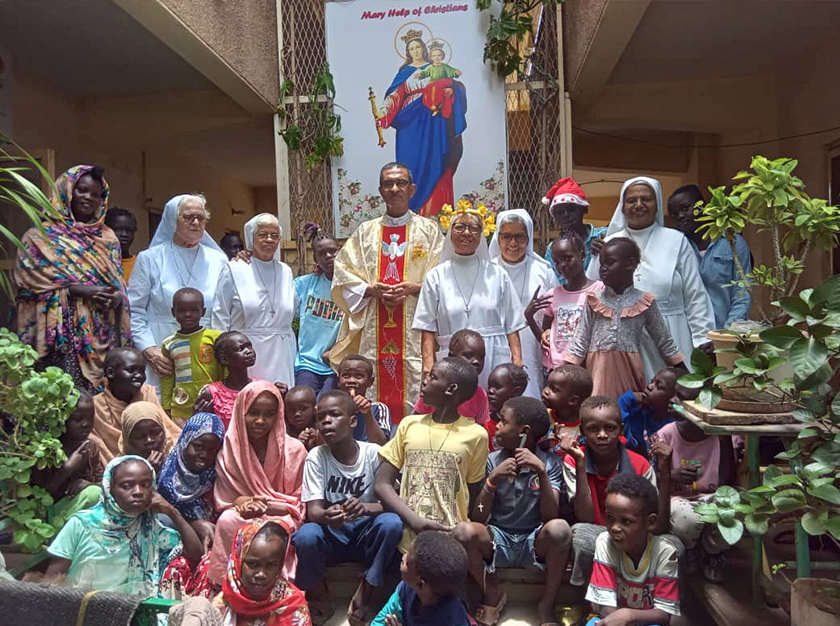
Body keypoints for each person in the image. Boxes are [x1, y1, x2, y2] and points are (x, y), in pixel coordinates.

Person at [331, 163, 444, 422]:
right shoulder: (365, 232)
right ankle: (373, 434)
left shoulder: (429, 231)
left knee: (415, 377)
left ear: (412, 189)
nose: (395, 189)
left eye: (401, 183)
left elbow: (442, 279)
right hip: (374, 319)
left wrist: (415, 288)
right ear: (380, 190)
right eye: (388, 184)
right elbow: (343, 272)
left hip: (414, 321)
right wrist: (369, 289)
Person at [453, 397, 571, 626]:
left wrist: (542, 473)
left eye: (503, 421)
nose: (496, 426)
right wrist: (492, 481)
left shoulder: (550, 463)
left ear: (523, 432)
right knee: (463, 532)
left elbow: (550, 517)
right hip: (498, 537)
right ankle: (490, 591)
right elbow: (477, 515)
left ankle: (547, 602)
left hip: (533, 540)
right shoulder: (492, 460)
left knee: (560, 529)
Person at [14, 165, 129, 393]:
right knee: (58, 401)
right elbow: (26, 285)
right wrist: (77, 291)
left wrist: (115, 298)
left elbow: (117, 285)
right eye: (82, 190)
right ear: (65, 192)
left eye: (96, 194)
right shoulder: (40, 237)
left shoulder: (108, 238)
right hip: (58, 337)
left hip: (99, 334)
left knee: (96, 403)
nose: (89, 198)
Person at [587, 177, 714, 381]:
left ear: (657, 205)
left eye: (646, 199)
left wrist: (703, 340)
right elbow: (592, 295)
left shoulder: (676, 241)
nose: (639, 205)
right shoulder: (608, 243)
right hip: (624, 338)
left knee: (674, 398)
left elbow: (695, 296)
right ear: (622, 206)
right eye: (631, 200)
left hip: (673, 334)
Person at [293, 390, 403, 625]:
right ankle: (320, 597)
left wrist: (365, 508)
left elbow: (393, 502)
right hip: (333, 533)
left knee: (392, 524)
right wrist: (328, 515)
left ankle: (366, 592)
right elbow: (314, 512)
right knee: (305, 535)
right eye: (321, 417)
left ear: (353, 421)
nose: (326, 422)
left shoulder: (372, 453)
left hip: (365, 533)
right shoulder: (316, 456)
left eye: (334, 415)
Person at [375, 357, 489, 554]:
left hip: (451, 539)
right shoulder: (409, 425)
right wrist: (413, 520)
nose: (425, 380)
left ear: (451, 389)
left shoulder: (476, 435)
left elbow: (472, 491)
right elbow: (382, 484)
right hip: (407, 540)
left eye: (433, 377)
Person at [44, 455, 202, 596]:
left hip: (128, 613)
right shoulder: (81, 524)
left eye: (146, 484)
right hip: (81, 610)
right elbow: (53, 579)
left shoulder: (149, 528)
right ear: (109, 489)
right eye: (127, 486)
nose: (138, 491)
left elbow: (195, 553)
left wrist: (172, 512)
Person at [414, 200, 525, 388]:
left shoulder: (497, 273)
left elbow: (512, 325)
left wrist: (517, 361)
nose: (466, 233)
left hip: (492, 355)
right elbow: (427, 328)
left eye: (473, 228)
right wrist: (428, 365)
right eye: (460, 227)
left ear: (482, 234)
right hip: (452, 357)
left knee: (493, 407)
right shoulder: (436, 276)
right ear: (450, 233)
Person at [207, 381, 307, 585]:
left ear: (278, 415)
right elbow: (226, 498)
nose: (260, 421)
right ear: (240, 411)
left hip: (283, 514)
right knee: (227, 520)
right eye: (253, 412)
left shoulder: (294, 450)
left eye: (269, 414)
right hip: (243, 515)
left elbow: (301, 499)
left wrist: (271, 507)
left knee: (279, 527)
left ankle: (278, 588)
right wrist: (243, 502)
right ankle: (227, 585)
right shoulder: (229, 451)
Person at [559, 396, 664, 589]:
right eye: (593, 429)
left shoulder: (639, 464)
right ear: (582, 431)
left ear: (621, 429)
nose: (602, 435)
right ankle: (587, 599)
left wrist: (666, 473)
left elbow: (655, 524)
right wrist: (582, 465)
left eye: (610, 428)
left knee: (672, 544)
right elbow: (585, 517)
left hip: (634, 536)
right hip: (597, 534)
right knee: (581, 534)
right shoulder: (573, 460)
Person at [128, 194, 228, 389]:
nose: (196, 222)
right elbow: (134, 310)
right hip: (161, 350)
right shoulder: (150, 258)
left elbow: (223, 310)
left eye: (201, 217)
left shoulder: (218, 260)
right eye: (188, 217)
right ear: (172, 220)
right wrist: (149, 349)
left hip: (204, 352)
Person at [567, 238, 685, 400]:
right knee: (597, 409)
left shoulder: (644, 301)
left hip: (629, 372)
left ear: (630, 264)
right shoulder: (593, 300)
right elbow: (580, 340)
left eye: (610, 263)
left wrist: (685, 374)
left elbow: (663, 340)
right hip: (597, 371)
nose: (603, 269)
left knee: (628, 411)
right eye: (602, 264)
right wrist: (565, 371)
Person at [376, 32, 467, 217]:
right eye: (411, 48)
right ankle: (410, 213)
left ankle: (436, 213)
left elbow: (456, 85)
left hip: (436, 125)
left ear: (424, 49)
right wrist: (384, 112)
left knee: (437, 161)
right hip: (411, 125)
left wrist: (452, 90)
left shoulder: (437, 67)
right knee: (411, 167)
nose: (416, 51)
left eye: (418, 47)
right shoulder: (405, 73)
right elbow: (394, 96)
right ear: (407, 52)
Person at [212, 213, 297, 387]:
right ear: (251, 237)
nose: (269, 239)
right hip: (246, 353)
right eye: (262, 234)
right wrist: (224, 355)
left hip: (282, 352)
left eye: (274, 235)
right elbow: (220, 315)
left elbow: (294, 309)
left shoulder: (286, 271)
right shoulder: (234, 268)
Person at [584, 474, 680, 626]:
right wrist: (621, 618)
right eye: (610, 518)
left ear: (650, 522)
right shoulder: (605, 542)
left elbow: (663, 614)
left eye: (626, 521)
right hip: (611, 620)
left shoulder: (664, 552)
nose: (614, 527)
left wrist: (629, 615)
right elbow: (605, 606)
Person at [653, 417, 734, 583]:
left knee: (734, 508)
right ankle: (690, 549)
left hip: (709, 496)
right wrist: (671, 475)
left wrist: (725, 443)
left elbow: (727, 480)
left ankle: (712, 552)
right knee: (686, 518)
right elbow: (650, 475)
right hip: (677, 498)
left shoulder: (719, 436)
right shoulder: (667, 434)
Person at [488, 209, 558, 397]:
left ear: (528, 239)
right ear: (498, 238)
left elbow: (557, 310)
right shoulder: (488, 271)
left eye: (520, 237)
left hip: (532, 346)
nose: (513, 243)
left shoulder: (543, 271)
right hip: (496, 345)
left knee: (531, 394)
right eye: (507, 236)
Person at [667, 184, 753, 329]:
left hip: (726, 333)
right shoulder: (676, 248)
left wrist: (726, 333)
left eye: (685, 208)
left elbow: (742, 292)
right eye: (674, 215)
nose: (680, 216)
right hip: (689, 337)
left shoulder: (733, 242)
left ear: (702, 207)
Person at [527, 231, 603, 371]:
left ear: (582, 255)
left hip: (589, 368)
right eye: (556, 261)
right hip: (558, 370)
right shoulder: (553, 295)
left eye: (567, 258)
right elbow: (546, 340)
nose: (562, 265)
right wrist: (530, 318)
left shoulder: (599, 290)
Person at [213, 520, 312, 626]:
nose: (261, 574)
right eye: (253, 564)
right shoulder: (221, 605)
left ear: (280, 566)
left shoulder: (293, 605)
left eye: (270, 565)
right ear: (238, 562)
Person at [93, 347, 180, 461]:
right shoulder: (96, 407)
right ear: (110, 373)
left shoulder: (148, 394)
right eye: (131, 370)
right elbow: (99, 448)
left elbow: (167, 433)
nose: (139, 376)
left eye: (142, 371)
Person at [371, 530, 471, 626]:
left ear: (421, 584)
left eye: (407, 563)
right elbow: (380, 621)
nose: (403, 556)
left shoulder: (453, 620)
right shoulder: (407, 589)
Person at [158, 413, 225, 551]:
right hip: (176, 546)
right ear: (185, 441)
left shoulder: (219, 476)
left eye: (212, 450)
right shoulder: (165, 479)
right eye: (198, 447)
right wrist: (195, 525)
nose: (204, 455)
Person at [32, 391, 104, 520]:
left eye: (90, 418)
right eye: (77, 419)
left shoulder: (90, 447)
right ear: (62, 419)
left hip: (86, 512)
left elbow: (104, 482)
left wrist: (88, 484)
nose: (86, 424)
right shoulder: (48, 450)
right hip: (52, 514)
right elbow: (40, 495)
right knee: (93, 494)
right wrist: (68, 468)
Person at [294, 224, 344, 397]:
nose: (328, 256)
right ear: (315, 258)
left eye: (333, 251)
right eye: (322, 253)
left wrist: (337, 351)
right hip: (307, 363)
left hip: (337, 364)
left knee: (325, 405)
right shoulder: (304, 284)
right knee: (303, 402)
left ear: (341, 252)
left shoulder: (351, 287)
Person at [161, 288, 223, 424]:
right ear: (173, 312)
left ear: (203, 311)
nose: (188, 314)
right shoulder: (169, 344)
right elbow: (167, 376)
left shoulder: (215, 338)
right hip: (180, 409)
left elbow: (224, 370)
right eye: (182, 310)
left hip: (212, 405)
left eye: (194, 310)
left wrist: (225, 398)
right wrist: (166, 405)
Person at [413, 329, 490, 425]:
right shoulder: (434, 389)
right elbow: (415, 421)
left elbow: (481, 430)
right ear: (451, 356)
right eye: (468, 355)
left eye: (481, 357)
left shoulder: (480, 395)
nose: (476, 361)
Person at [541, 177, 606, 284]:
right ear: (555, 217)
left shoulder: (603, 236)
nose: (566, 215)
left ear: (584, 209)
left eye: (571, 209)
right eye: (560, 212)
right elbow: (555, 283)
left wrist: (606, 252)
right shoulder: (552, 249)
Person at [195, 331, 258, 430]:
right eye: (241, 349)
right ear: (224, 359)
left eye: (249, 346)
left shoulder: (260, 387)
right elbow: (202, 431)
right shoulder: (211, 393)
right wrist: (198, 418)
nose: (249, 351)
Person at [620, 369, 680, 458]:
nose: (650, 386)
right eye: (651, 382)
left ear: (673, 398)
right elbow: (625, 440)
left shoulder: (675, 427)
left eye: (659, 386)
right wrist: (627, 398)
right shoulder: (639, 413)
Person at [337, 354, 392, 445]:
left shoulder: (378, 409)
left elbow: (381, 444)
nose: (352, 380)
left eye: (358, 376)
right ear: (338, 380)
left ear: (370, 382)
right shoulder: (331, 409)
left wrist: (367, 413)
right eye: (346, 375)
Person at [541, 364, 593, 449]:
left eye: (554, 390)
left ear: (573, 400)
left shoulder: (585, 427)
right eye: (547, 385)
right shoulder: (543, 416)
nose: (546, 391)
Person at [119, 401, 177, 475]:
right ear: (128, 440)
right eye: (139, 436)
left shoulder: (179, 457)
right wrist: (148, 472)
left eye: (156, 433)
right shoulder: (120, 469)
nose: (149, 440)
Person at [484, 363, 529, 452]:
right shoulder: (485, 423)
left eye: (497, 387)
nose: (490, 391)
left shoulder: (526, 423)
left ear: (517, 391)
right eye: (489, 386)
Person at [413, 40, 463, 118]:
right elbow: (425, 73)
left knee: (436, 87)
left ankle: (439, 107)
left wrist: (456, 72)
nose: (436, 57)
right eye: (434, 55)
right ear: (431, 57)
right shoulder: (430, 67)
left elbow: (451, 71)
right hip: (434, 84)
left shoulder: (444, 66)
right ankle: (433, 107)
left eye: (439, 55)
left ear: (442, 56)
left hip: (443, 83)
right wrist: (420, 75)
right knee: (427, 92)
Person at [105, 207, 139, 282]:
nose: (124, 234)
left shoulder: (139, 265)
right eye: (118, 229)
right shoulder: (99, 262)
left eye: (129, 230)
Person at [284, 385, 322, 452]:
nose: (297, 414)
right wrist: (297, 444)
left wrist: (318, 442)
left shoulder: (321, 429)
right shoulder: (285, 432)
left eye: (303, 409)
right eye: (292, 410)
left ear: (315, 410)